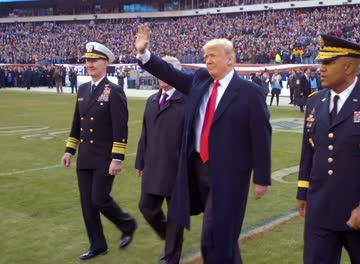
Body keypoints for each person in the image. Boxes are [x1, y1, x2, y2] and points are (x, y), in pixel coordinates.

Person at [135, 24, 271, 264]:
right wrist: (145, 54)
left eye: (213, 56)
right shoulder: (199, 81)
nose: (207, 61)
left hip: (228, 175)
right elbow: (171, 74)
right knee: (224, 238)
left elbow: (261, 136)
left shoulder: (249, 92)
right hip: (197, 170)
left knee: (212, 239)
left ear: (230, 60)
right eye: (205, 56)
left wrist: (262, 177)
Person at [296, 34, 360, 264]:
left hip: (358, 211)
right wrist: (303, 191)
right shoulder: (315, 101)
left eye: (328, 62)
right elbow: (309, 152)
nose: (320, 68)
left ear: (349, 66)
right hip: (320, 208)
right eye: (320, 62)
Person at [61, 42, 137, 261]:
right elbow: (77, 122)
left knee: (99, 199)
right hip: (85, 156)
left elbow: (120, 127)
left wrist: (117, 158)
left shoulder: (113, 90)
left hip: (104, 157)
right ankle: (98, 245)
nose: (89, 64)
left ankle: (127, 223)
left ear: (105, 63)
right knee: (87, 205)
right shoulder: (84, 90)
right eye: (87, 60)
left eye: (94, 60)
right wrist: (69, 150)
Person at [135, 56, 185, 264]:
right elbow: (145, 133)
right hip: (154, 165)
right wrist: (140, 161)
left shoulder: (187, 99)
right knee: (146, 207)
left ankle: (171, 255)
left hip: (178, 169)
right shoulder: (152, 100)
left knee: (176, 215)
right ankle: (172, 238)